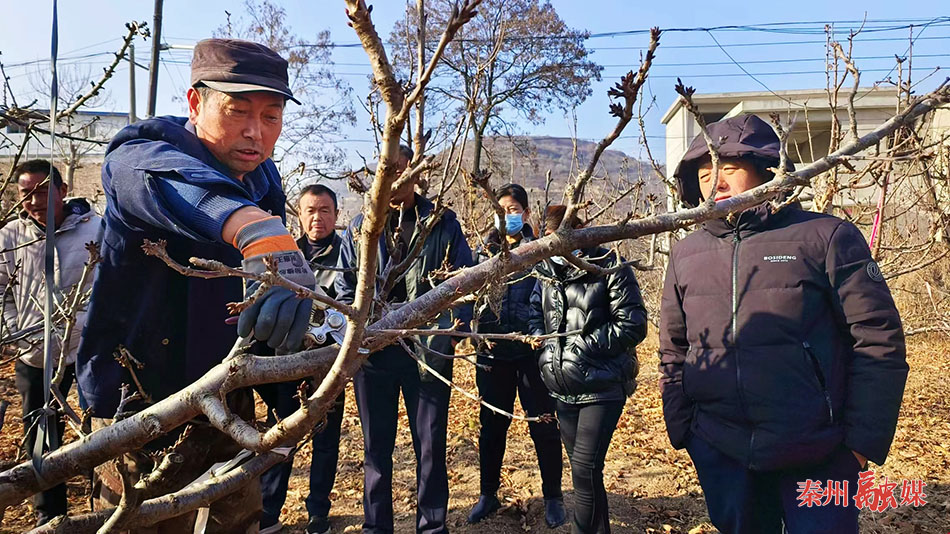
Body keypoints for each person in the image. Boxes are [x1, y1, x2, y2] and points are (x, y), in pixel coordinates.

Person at [76, 38, 316, 533]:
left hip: (228, 394)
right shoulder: (141, 153)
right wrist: (255, 228)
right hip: (142, 405)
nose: (255, 132)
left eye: (272, 116)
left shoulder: (264, 179)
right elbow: (170, 184)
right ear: (194, 102)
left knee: (239, 520)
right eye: (237, 110)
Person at [659, 113, 909, 534]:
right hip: (722, 449)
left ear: (766, 170)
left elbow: (878, 340)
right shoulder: (687, 253)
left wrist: (859, 446)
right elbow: (674, 347)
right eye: (704, 174)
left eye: (728, 169)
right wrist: (685, 430)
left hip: (819, 449)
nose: (714, 182)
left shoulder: (825, 236)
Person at [336, 145, 474, 534]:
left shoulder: (442, 223)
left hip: (428, 351)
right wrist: (358, 335)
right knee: (375, 448)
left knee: (430, 446)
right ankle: (376, 526)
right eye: (386, 170)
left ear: (415, 170)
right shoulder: (360, 227)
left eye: (400, 168)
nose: (394, 177)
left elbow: (463, 283)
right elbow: (346, 291)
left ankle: (432, 526)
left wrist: (451, 332)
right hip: (374, 355)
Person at [528, 205, 647, 534]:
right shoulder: (547, 271)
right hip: (562, 386)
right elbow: (535, 314)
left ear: (582, 230)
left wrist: (578, 347)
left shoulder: (611, 266)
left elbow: (633, 324)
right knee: (586, 474)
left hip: (601, 384)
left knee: (583, 469)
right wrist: (545, 343)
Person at [0, 159, 101, 526]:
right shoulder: (11, 235)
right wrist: (15, 329)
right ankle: (50, 515)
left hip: (86, 351)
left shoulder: (96, 228)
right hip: (34, 354)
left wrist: (94, 328)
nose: (34, 200)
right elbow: (1, 289)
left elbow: (109, 285)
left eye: (42, 190)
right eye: (25, 193)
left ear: (61, 190)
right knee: (40, 434)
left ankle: (101, 507)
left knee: (98, 430)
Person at [467, 184, 566, 527]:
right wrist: (472, 333)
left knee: (544, 424)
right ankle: (487, 494)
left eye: (513, 210)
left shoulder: (537, 250)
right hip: (492, 353)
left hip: (530, 352)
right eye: (501, 210)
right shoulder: (482, 253)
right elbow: (468, 298)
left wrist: (538, 335)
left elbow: (548, 295)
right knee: (492, 426)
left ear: (524, 213)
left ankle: (553, 496)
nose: (507, 216)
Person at [259, 183, 345, 534]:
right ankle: (269, 509)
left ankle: (318, 511)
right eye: (310, 210)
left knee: (325, 440)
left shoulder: (348, 255)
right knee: (280, 434)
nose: (317, 218)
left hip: (329, 365)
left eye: (325, 210)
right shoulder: (285, 254)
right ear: (300, 214)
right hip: (286, 361)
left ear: (336, 215)